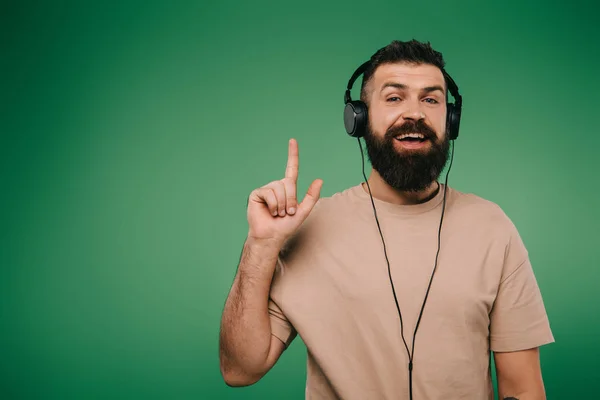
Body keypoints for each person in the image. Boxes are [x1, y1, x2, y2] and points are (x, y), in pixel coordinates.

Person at [219, 39, 554, 400]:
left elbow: (522, 388)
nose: (415, 114)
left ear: (450, 120)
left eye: (431, 99)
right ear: (359, 118)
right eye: (394, 98)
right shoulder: (309, 227)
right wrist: (261, 245)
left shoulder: (493, 228)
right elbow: (240, 369)